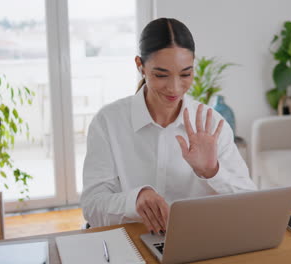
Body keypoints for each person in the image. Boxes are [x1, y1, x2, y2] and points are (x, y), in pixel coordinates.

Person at [80, 18, 256, 234]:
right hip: (133, 240)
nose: (174, 88)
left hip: (197, 241)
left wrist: (212, 171)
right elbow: (92, 206)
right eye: (161, 75)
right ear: (140, 66)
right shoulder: (108, 122)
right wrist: (134, 200)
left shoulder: (213, 124)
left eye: (185, 74)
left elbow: (250, 203)